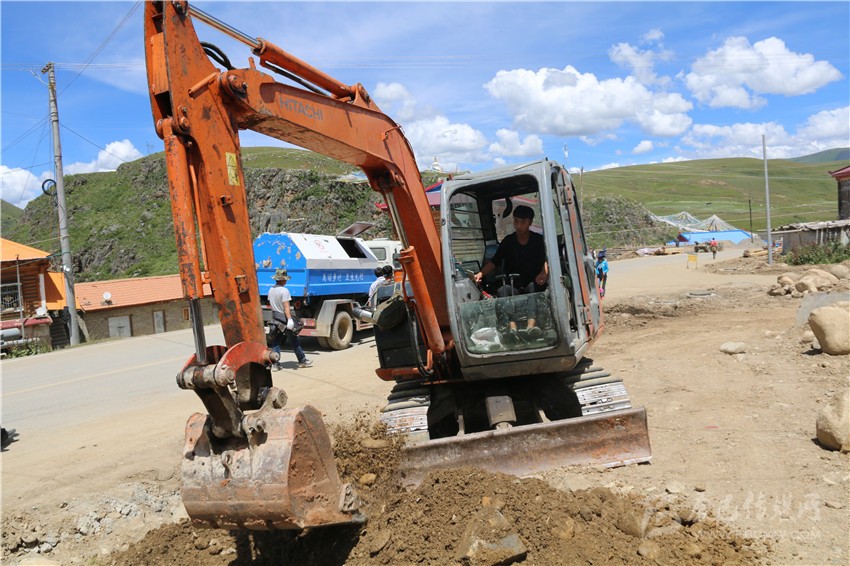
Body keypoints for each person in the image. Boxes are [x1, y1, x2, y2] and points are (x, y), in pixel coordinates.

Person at [474, 205, 548, 340]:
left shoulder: (538, 240)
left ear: (530, 222)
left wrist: (544, 272)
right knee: (502, 291)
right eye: (516, 221)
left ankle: (531, 328)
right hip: (513, 284)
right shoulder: (508, 241)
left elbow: (546, 259)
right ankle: (512, 328)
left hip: (533, 281)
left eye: (523, 222)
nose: (518, 225)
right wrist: (480, 274)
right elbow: (494, 262)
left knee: (533, 288)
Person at [268, 268, 312, 370]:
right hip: (284, 320)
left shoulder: (271, 290)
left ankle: (275, 364)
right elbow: (286, 306)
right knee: (294, 341)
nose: (286, 281)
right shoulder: (284, 291)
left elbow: (272, 306)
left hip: (275, 319)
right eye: (285, 279)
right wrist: (290, 320)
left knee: (276, 342)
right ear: (282, 279)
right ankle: (302, 361)